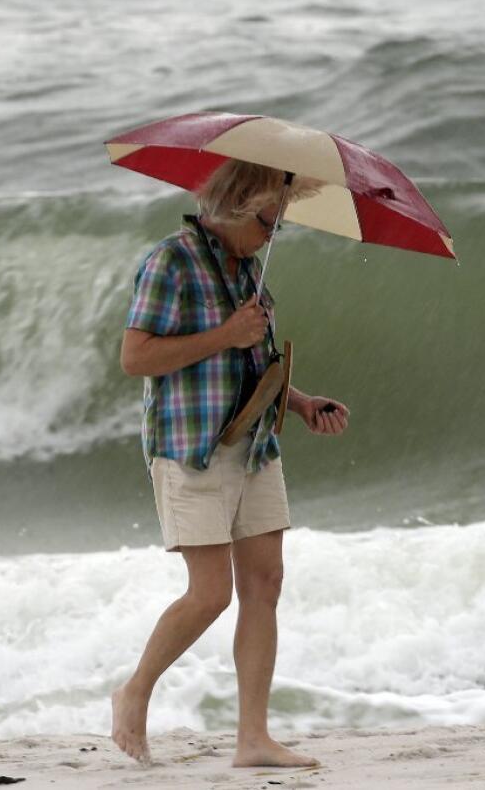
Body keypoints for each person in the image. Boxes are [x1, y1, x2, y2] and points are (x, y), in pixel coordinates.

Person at [112, 159, 350, 768]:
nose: (275, 232)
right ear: (240, 207)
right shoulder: (172, 262)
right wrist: (226, 334)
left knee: (265, 584)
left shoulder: (248, 273)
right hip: (191, 446)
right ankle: (134, 690)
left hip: (254, 447)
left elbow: (253, 364)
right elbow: (135, 358)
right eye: (273, 219)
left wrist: (298, 403)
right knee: (211, 593)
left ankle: (253, 739)